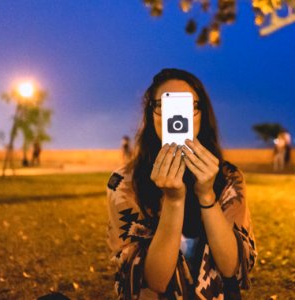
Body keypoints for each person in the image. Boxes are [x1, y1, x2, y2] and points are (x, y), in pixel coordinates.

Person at [106, 69, 256, 299]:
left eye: (187, 106)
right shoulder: (124, 182)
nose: (175, 116)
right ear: (151, 113)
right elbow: (155, 281)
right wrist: (174, 201)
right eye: (163, 105)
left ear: (201, 114)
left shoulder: (228, 177)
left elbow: (231, 269)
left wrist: (207, 195)